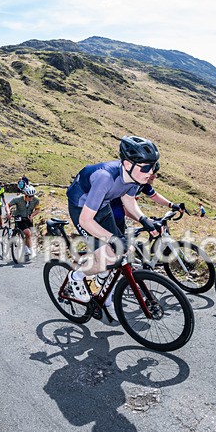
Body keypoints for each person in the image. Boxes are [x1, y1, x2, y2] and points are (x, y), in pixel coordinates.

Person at [65, 135, 162, 319]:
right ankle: (76, 277)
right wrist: (112, 238)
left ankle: (106, 296)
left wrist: (144, 220)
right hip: (81, 208)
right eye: (146, 167)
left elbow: (128, 200)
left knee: (126, 251)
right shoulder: (105, 177)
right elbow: (86, 221)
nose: (150, 172)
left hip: (103, 206)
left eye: (153, 166)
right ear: (127, 164)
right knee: (107, 258)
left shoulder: (134, 177)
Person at [109, 171, 183, 233]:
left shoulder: (143, 184)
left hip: (118, 217)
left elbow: (154, 196)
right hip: (111, 217)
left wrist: (172, 205)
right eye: (153, 173)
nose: (155, 176)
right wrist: (147, 221)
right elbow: (126, 210)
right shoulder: (130, 184)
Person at [8, 185, 41, 259]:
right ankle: (30, 250)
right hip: (19, 217)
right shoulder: (18, 199)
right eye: (29, 196)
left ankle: (26, 248)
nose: (31, 198)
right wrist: (8, 212)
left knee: (29, 235)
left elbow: (37, 209)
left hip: (28, 218)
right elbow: (8, 205)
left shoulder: (36, 200)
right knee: (28, 233)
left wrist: (32, 215)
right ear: (25, 195)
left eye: (32, 196)